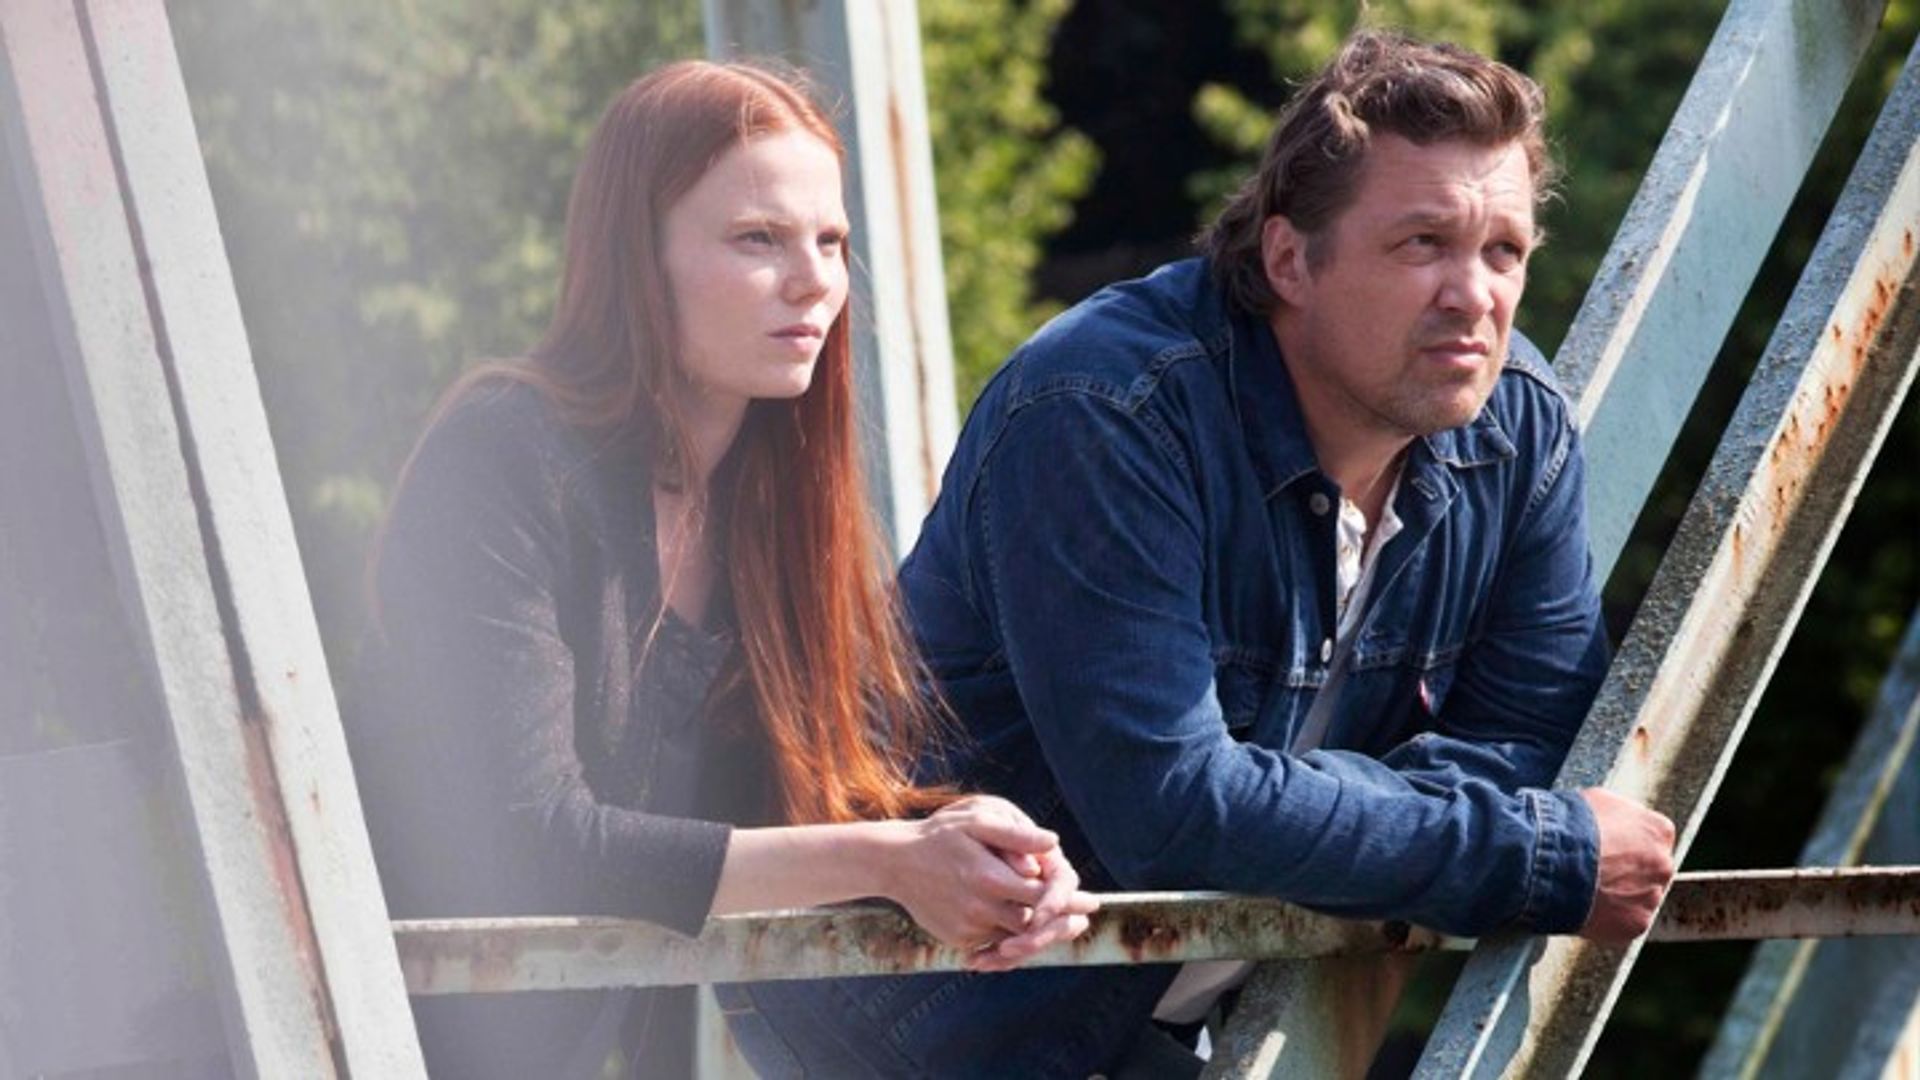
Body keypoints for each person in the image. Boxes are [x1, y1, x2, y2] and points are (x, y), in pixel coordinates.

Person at [730, 30, 1678, 1078]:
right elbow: (1172, 810)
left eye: (1503, 251)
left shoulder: (1518, 428)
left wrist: (1288, 804)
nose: (1474, 295)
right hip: (917, 1014)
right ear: (1289, 259)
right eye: (1422, 244)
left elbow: (1534, 740)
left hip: (1165, 1007)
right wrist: (1530, 852)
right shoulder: (1104, 410)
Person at [346, 60, 1097, 1080]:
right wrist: (889, 861)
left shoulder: (771, 505)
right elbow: (532, 837)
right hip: (335, 1039)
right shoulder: (504, 451)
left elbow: (803, 805)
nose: (814, 281)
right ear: (637, 258)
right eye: (757, 239)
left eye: (830, 242)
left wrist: (970, 840)